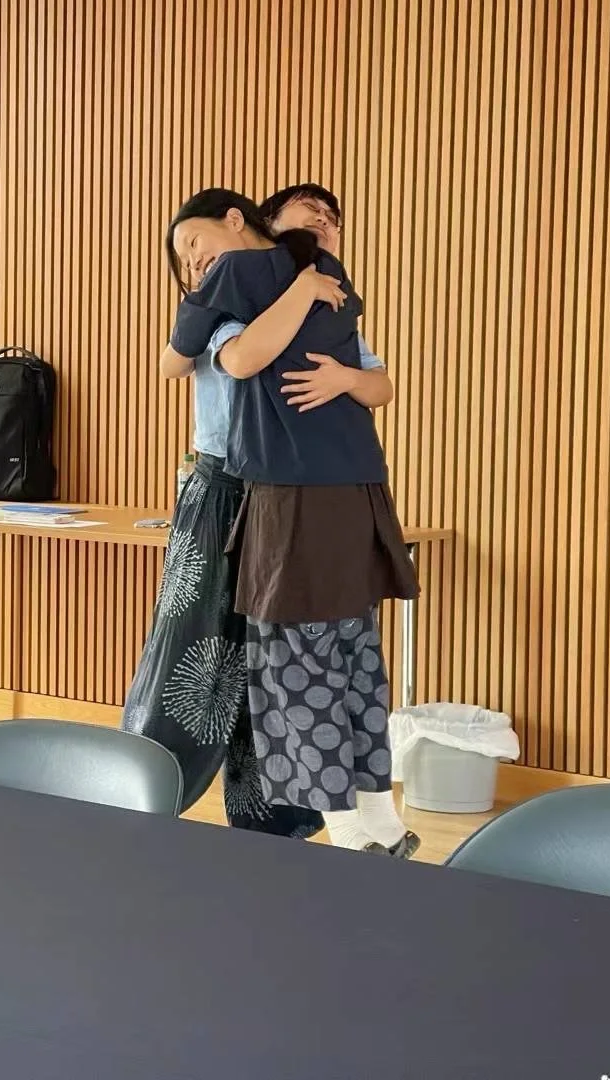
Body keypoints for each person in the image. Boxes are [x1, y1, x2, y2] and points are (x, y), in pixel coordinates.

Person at [160, 187, 420, 856]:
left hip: (293, 493)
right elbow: (206, 359)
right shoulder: (270, 289)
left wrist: (344, 378)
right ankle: (161, 797)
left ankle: (308, 825)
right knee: (227, 664)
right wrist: (302, 289)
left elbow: (377, 383)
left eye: (332, 219)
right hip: (243, 492)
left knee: (304, 659)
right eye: (311, 216)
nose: (194, 264)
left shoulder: (309, 290)